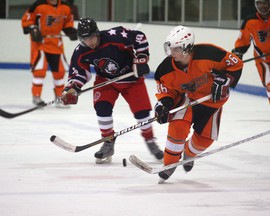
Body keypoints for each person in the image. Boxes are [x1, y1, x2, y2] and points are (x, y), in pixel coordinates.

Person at [61, 17, 164, 163]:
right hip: (106, 82)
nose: (88, 42)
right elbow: (79, 72)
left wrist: (141, 59)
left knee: (142, 113)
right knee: (102, 109)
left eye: (90, 38)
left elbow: (139, 37)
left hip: (131, 80)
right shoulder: (81, 50)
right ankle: (108, 142)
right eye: (84, 39)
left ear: (97, 33)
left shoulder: (115, 36)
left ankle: (150, 140)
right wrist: (72, 89)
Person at [154, 25, 243, 183]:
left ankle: (188, 154)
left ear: (187, 47)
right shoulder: (165, 69)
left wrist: (226, 79)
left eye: (176, 49)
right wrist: (164, 104)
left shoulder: (210, 54)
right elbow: (166, 89)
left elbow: (236, 64)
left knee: (204, 140)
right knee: (178, 127)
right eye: (170, 48)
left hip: (211, 100)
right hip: (186, 98)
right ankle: (169, 164)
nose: (172, 53)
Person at [232, 0, 270, 118]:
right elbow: (243, 40)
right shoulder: (250, 21)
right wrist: (238, 52)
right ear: (255, 4)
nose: (262, 6)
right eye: (259, 3)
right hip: (264, 60)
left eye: (265, 3)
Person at [21, 0, 78, 107]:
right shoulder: (38, 5)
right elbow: (27, 20)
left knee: (59, 72)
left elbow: (67, 23)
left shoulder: (65, 7)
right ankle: (36, 96)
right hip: (40, 43)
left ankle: (60, 96)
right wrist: (32, 28)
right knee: (39, 71)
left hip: (56, 44)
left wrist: (70, 31)